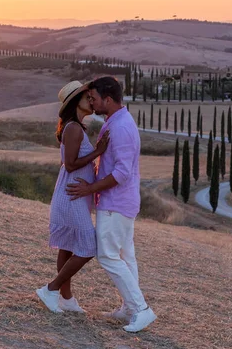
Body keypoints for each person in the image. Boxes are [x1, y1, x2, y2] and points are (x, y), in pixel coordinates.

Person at [66, 76, 156, 333]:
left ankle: (140, 309)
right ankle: (130, 309)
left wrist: (89, 188)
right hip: (121, 202)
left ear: (107, 99)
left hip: (115, 202)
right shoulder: (116, 122)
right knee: (126, 256)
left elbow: (122, 173)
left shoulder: (120, 128)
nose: (91, 102)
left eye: (94, 98)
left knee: (107, 255)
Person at [36, 80, 109, 313]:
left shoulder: (75, 127)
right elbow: (69, 165)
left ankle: (66, 299)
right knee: (88, 246)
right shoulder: (73, 128)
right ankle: (51, 289)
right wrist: (98, 152)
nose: (91, 100)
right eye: (86, 97)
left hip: (72, 195)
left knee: (67, 247)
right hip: (71, 197)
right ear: (75, 102)